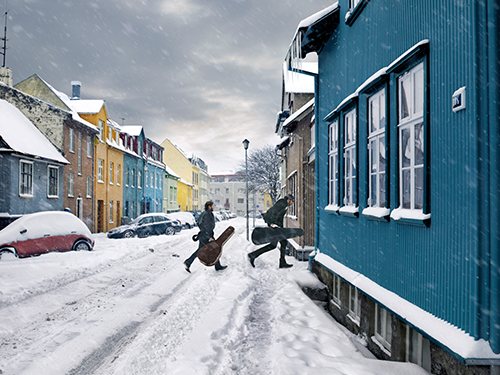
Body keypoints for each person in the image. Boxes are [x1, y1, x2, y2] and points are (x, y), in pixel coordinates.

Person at [247, 194, 294, 269]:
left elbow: (278, 214)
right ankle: (282, 262)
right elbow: (274, 211)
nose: (292, 203)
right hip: (274, 226)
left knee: (275, 244)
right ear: (288, 200)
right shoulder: (282, 203)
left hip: (276, 226)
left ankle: (253, 255)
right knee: (282, 243)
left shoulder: (284, 204)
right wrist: (273, 223)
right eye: (292, 201)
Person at [184, 201, 227, 273]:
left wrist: (204, 232)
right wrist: (209, 236)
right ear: (209, 206)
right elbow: (207, 227)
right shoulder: (207, 214)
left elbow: (199, 223)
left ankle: (188, 262)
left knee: (201, 250)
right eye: (212, 206)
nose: (213, 207)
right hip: (206, 236)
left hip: (204, 235)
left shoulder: (204, 213)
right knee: (215, 249)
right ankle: (218, 266)